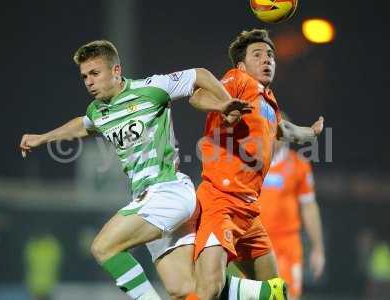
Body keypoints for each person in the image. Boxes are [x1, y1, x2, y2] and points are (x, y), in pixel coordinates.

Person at [19, 40, 249, 300]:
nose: (89, 82)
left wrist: (225, 103)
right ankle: (264, 291)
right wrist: (42, 138)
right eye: (84, 76)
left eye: (95, 73)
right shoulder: (98, 111)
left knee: (103, 247)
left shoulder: (151, 89)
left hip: (168, 191)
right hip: (152, 199)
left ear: (116, 71)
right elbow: (82, 125)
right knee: (184, 289)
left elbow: (199, 75)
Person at [188, 29, 324, 300]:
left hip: (249, 210)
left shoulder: (268, 102)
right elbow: (197, 96)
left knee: (275, 292)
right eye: (258, 55)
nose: (267, 60)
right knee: (209, 289)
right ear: (241, 64)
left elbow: (283, 129)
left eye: (271, 55)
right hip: (221, 202)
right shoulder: (237, 79)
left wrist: (310, 132)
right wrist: (222, 106)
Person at [259, 135, 325, 300]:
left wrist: (318, 249)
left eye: (277, 134)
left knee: (287, 296)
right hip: (256, 244)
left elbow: (309, 208)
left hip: (286, 246)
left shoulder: (299, 165)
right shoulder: (250, 164)